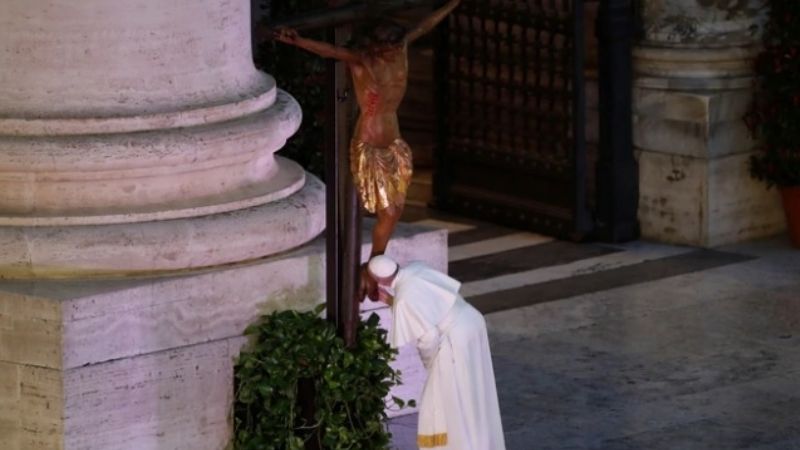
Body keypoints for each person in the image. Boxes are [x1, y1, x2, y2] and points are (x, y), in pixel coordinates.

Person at [272, 0, 462, 299]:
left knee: (396, 210)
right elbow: (330, 52)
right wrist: (297, 41)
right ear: (375, 47)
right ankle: (373, 264)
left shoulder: (399, 48)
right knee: (387, 211)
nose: (393, 51)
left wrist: (451, 4)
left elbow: (424, 25)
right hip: (371, 143)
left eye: (395, 44)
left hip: (394, 143)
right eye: (387, 47)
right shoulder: (362, 62)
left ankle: (375, 264)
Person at [367, 255, 506, 450]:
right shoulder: (417, 267)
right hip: (472, 322)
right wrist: (392, 300)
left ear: (380, 280)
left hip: (454, 342)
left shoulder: (404, 299)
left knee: (450, 403)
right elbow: (428, 304)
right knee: (476, 393)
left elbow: (428, 337)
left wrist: (432, 363)